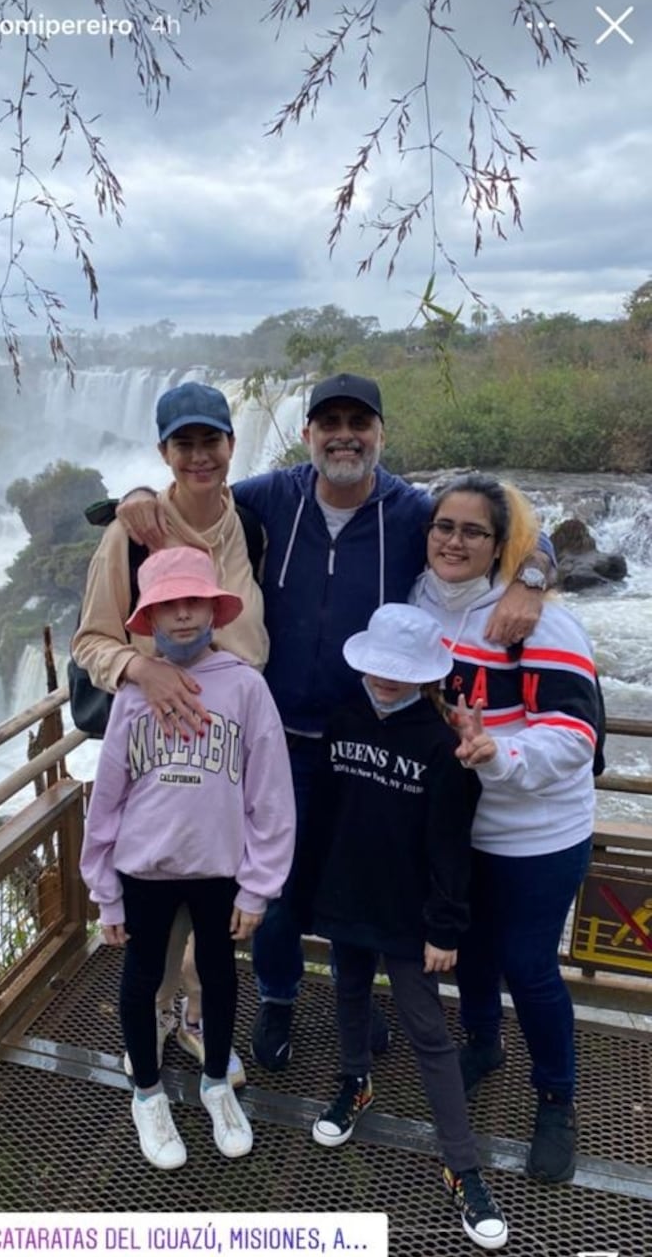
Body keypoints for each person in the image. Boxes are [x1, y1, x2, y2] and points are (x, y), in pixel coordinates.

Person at [117, 373, 554, 1072]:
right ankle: (279, 998)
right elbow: (183, 502)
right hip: (275, 734)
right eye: (330, 423)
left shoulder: (413, 510)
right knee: (278, 881)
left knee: (374, 871)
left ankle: (359, 996)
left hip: (369, 733)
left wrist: (533, 580)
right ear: (308, 434)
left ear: (380, 434)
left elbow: (512, 533)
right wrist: (135, 497)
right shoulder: (271, 495)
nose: (344, 435)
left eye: (359, 422)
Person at [73, 380, 269, 1086]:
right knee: (157, 921)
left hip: (233, 746)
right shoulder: (130, 531)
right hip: (157, 749)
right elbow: (91, 641)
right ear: (163, 451)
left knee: (217, 914)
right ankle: (154, 1025)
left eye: (209, 441)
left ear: (230, 445)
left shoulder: (250, 520)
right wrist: (139, 670)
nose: (198, 456)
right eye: (182, 444)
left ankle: (192, 1018)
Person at [297, 602, 507, 1251]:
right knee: (349, 993)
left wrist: (444, 929)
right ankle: (353, 1082)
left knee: (427, 1033)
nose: (386, 680)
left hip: (411, 917)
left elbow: (451, 847)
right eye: (378, 667)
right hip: (346, 897)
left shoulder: (443, 747)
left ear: (424, 674)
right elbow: (324, 817)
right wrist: (307, 896)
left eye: (401, 671)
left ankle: (462, 1165)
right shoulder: (342, 720)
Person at [79, 546, 295, 1169]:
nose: (181, 616)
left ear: (213, 609)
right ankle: (147, 1093)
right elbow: (109, 797)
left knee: (220, 976)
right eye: (167, 605)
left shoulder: (247, 689)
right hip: (144, 869)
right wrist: (104, 889)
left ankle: (215, 1086)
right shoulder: (131, 695)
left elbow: (271, 796)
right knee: (143, 978)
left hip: (219, 869)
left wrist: (258, 886)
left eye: (193, 602)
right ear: (148, 617)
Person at [412, 472, 600, 1183]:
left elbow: (576, 733)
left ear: (500, 545)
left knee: (528, 965)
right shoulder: (416, 603)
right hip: (458, 827)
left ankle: (556, 1100)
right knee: (473, 952)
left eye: (472, 530)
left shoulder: (536, 619)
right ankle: (484, 1043)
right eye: (443, 526)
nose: (453, 540)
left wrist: (502, 752)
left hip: (535, 832)